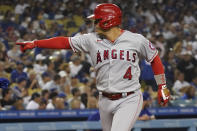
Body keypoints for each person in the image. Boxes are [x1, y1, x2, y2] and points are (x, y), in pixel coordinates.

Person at [16, 3, 170, 131]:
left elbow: (155, 59)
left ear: (108, 21)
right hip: (104, 99)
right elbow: (64, 42)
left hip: (129, 97)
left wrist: (162, 86)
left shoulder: (136, 40)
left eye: (97, 20)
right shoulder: (91, 40)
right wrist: (35, 43)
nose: (94, 24)